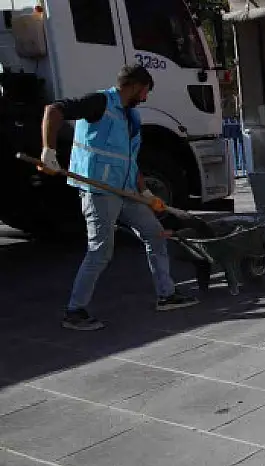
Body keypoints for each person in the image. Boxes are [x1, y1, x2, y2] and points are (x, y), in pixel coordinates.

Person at [40, 64, 197, 331]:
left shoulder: (131, 118)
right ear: (136, 86)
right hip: (99, 191)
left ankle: (167, 295)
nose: (146, 97)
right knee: (100, 251)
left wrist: (145, 193)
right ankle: (75, 311)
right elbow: (53, 110)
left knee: (155, 234)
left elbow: (129, 160)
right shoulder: (99, 102)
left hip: (125, 191)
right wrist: (48, 152)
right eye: (145, 91)